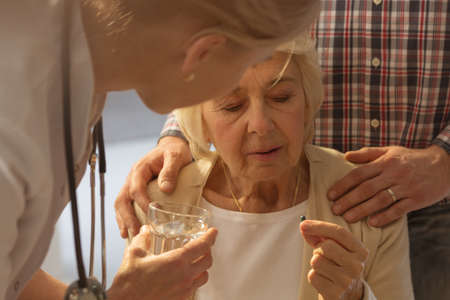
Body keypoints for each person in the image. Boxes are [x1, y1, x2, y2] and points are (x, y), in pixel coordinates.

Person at [114, 1, 450, 299]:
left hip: (408, 202)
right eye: (232, 106)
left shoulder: (375, 215)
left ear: (307, 102)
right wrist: (180, 132)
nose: (261, 124)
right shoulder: (163, 208)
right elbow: (210, 39)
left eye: (281, 97)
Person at [0, 1, 322, 300]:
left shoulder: (68, 62)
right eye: (234, 98)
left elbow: (13, 268)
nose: (260, 124)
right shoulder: (15, 135)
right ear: (202, 52)